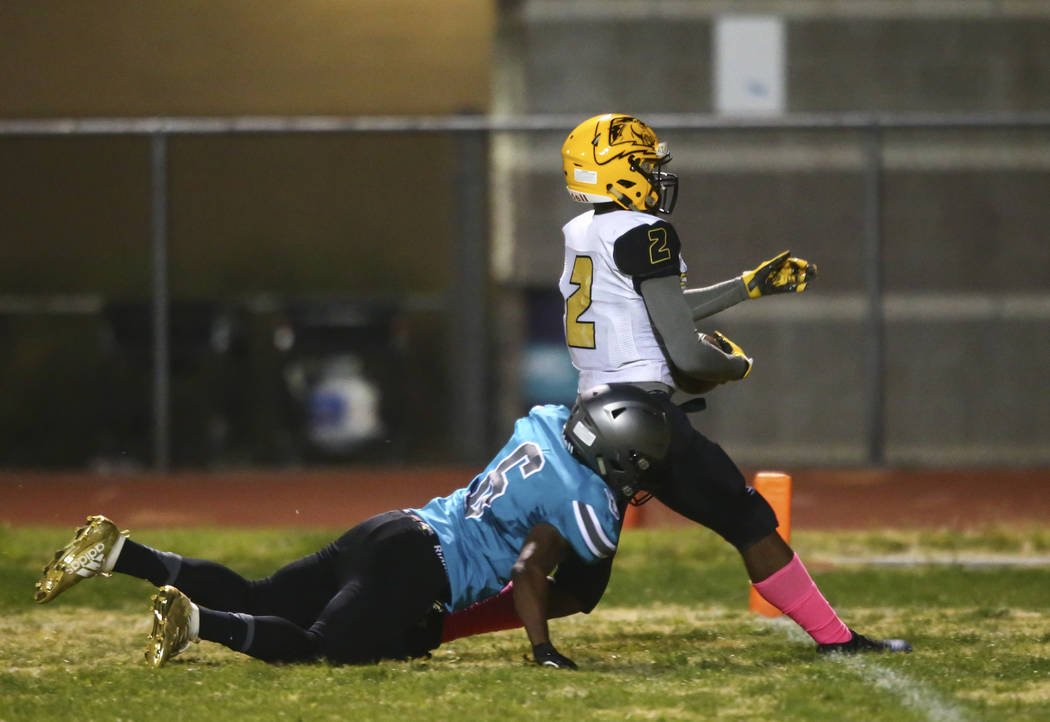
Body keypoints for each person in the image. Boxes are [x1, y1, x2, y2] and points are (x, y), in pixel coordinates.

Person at [547, 113, 908, 654]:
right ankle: (837, 640)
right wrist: (737, 366)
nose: (655, 172)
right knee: (749, 520)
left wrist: (745, 288)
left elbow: (651, 307)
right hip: (643, 417)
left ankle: (436, 625)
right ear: (617, 169)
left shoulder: (584, 231)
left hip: (590, 414)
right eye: (645, 163)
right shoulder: (646, 233)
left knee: (576, 584)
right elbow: (686, 349)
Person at [33, 385, 669, 669]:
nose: (634, 478)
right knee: (319, 647)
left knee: (262, 595)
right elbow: (532, 570)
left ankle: (120, 552)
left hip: (394, 527)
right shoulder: (585, 498)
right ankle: (194, 623)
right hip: (424, 567)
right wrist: (543, 651)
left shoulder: (544, 423)